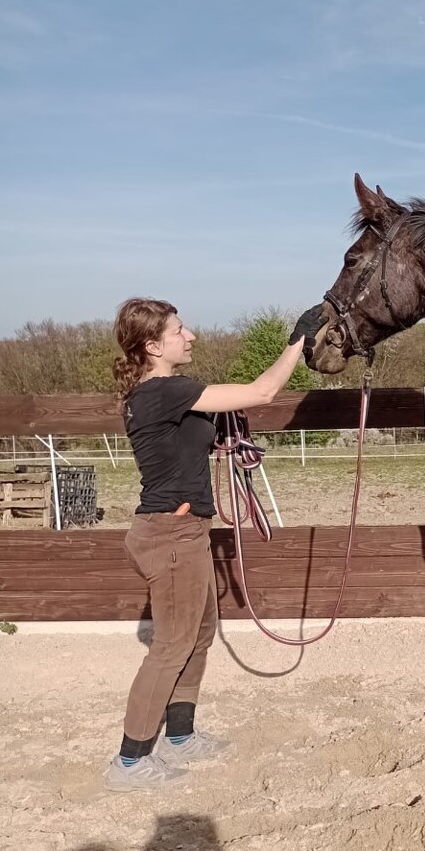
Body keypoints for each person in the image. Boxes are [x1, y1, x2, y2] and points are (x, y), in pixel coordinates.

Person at [104, 298, 326, 791]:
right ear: (153, 345)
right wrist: (297, 342)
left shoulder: (165, 394)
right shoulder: (164, 391)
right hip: (171, 535)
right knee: (171, 644)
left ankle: (180, 735)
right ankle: (130, 760)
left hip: (186, 532)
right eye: (180, 330)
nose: (191, 336)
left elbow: (216, 416)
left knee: (198, 635)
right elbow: (263, 392)